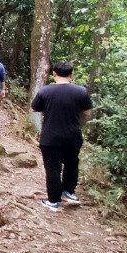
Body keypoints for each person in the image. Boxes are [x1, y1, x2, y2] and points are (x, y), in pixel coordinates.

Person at [30, 61, 94, 213]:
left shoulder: (45, 91)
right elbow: (87, 113)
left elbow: (34, 109)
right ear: (72, 75)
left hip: (50, 137)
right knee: (72, 165)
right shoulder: (81, 91)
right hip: (73, 136)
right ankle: (68, 192)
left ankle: (54, 201)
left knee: (53, 168)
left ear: (54, 74)